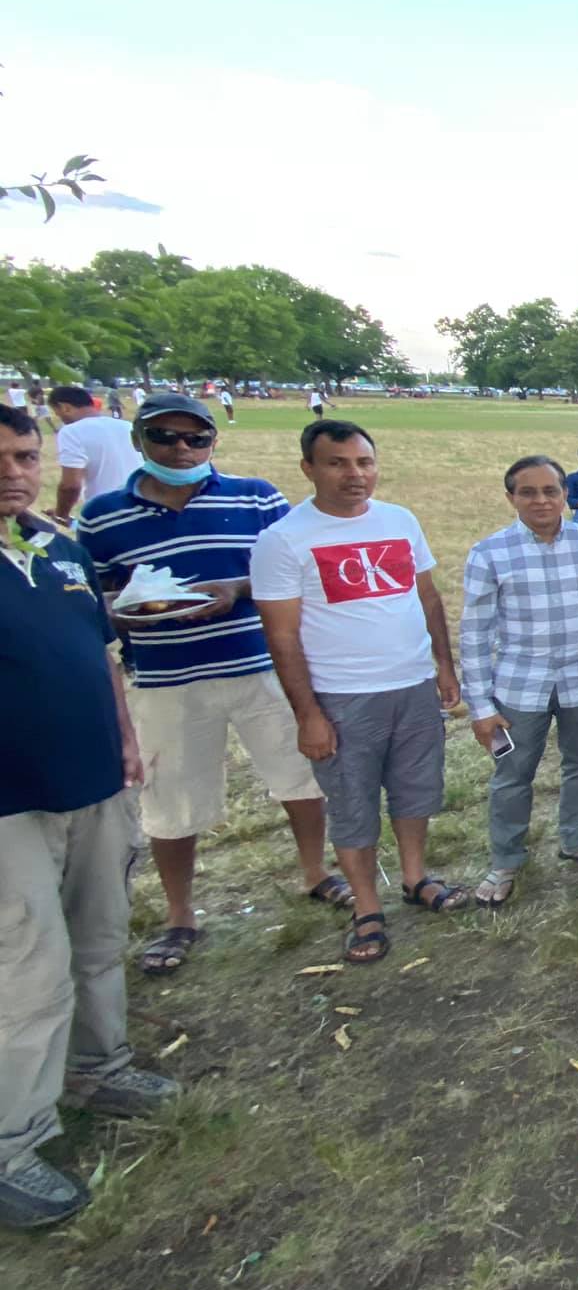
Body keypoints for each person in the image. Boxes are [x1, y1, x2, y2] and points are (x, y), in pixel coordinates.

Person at [74, 392, 340, 978]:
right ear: (139, 441)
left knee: (300, 776)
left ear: (213, 441)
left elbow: (295, 569)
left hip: (262, 665)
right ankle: (179, 914)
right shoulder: (101, 516)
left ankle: (316, 872)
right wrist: (130, 610)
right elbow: (91, 598)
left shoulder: (255, 498)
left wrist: (235, 590)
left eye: (196, 438)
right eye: (165, 437)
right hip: (166, 678)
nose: (182, 449)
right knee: (171, 798)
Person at [0, 404, 181, 1231]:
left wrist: (126, 739)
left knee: (99, 935)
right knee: (27, 966)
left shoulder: (57, 548)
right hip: (13, 803)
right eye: (1, 458)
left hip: (96, 781)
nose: (13, 473)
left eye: (24, 456)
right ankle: (13, 1142)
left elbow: (99, 655)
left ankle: (98, 1068)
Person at [251, 420, 470, 965]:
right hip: (342, 695)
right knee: (353, 802)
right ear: (308, 468)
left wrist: (444, 664)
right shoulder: (283, 540)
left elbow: (428, 598)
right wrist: (308, 714)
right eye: (338, 463)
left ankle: (415, 877)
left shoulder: (399, 520)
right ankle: (367, 907)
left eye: (364, 462)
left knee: (415, 790)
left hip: (412, 685)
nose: (355, 474)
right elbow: (281, 636)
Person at [461, 456, 578, 906]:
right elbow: (474, 635)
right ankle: (505, 860)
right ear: (511, 497)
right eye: (528, 492)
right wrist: (480, 707)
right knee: (513, 774)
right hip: (519, 687)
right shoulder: (490, 553)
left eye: (550, 491)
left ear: (564, 495)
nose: (541, 501)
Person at [48, 384, 142, 524]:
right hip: (142, 506)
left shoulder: (71, 432)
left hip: (106, 513)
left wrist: (61, 515)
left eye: (57, 412)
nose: (59, 417)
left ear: (65, 407)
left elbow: (70, 486)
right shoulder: (126, 426)